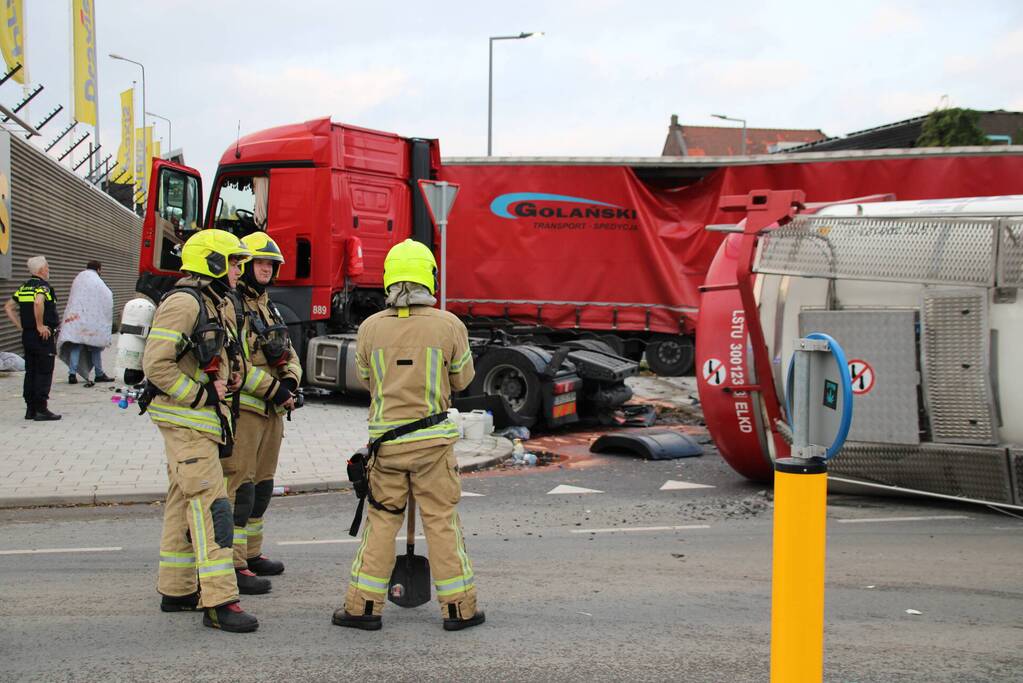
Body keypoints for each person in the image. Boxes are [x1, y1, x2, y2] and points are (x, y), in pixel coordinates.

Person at [333, 239, 484, 632]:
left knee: (381, 523)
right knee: (442, 522)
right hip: (433, 446)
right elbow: (463, 378)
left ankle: (363, 608)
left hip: (386, 448)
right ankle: (459, 610)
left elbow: (367, 380)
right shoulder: (449, 325)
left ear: (389, 279)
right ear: (428, 278)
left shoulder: (369, 329)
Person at [142, 228, 259, 633]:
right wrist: (200, 395)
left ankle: (176, 590)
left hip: (200, 423)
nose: (238, 269)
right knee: (212, 508)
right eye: (233, 261)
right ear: (211, 262)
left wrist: (234, 378)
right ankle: (219, 600)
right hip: (187, 421)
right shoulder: (184, 302)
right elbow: (156, 364)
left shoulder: (213, 301)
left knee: (181, 499)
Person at [220, 232, 301, 595]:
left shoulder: (269, 306)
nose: (266, 268)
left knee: (263, 487)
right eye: (259, 263)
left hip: (272, 414)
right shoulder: (232, 305)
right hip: (244, 412)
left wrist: (292, 381)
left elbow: (289, 352)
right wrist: (277, 390)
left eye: (271, 264)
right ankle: (234, 563)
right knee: (241, 489)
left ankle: (252, 554)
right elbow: (235, 366)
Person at [4, 255, 61, 421]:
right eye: (47, 267)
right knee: (44, 371)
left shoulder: (24, 287)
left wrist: (21, 326)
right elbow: (38, 302)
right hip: (42, 336)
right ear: (41, 269)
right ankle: (41, 409)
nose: (48, 269)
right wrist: (40, 325)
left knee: (31, 371)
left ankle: (30, 409)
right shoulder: (43, 287)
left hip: (27, 335)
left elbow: (8, 307)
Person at [57, 260, 115, 386]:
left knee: (76, 345)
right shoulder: (97, 281)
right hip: (92, 322)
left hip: (76, 319)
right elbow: (107, 296)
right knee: (95, 347)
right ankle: (99, 374)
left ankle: (72, 374)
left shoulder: (78, 278)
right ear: (99, 269)